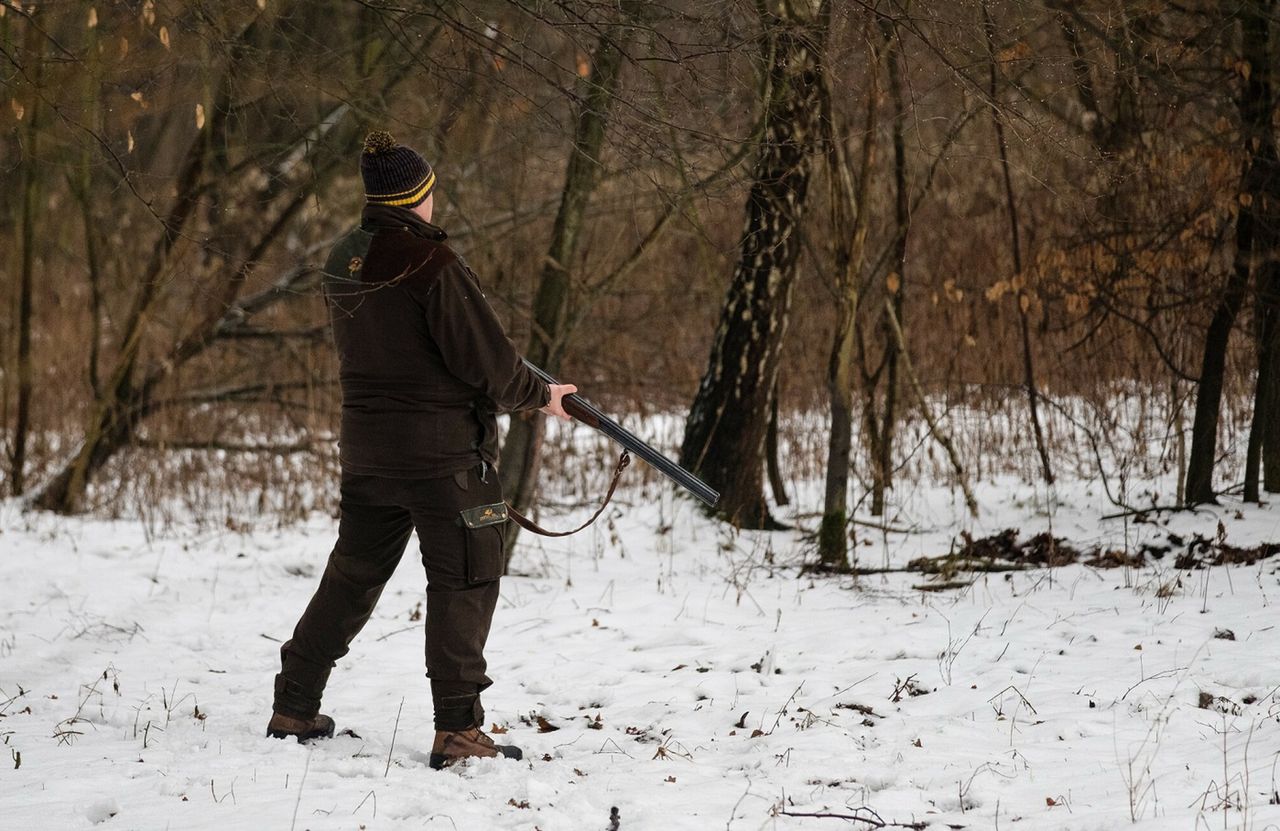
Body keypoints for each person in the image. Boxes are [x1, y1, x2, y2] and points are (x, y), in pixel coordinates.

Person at [265, 130, 576, 769]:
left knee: (352, 577)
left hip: (368, 454)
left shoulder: (342, 259)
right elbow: (487, 363)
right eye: (432, 193)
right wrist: (540, 395)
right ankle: (458, 731)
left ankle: (294, 702)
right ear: (418, 197)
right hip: (444, 462)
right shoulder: (431, 264)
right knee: (465, 579)